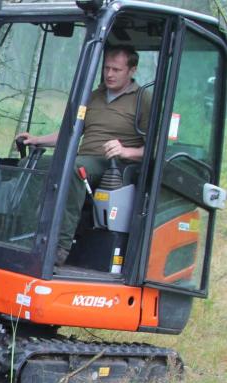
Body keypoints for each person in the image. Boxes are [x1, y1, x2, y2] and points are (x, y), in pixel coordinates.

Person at [16, 45, 151, 265]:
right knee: (31, 163)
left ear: (132, 70)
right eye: (107, 68)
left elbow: (153, 148)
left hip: (112, 166)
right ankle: (25, 236)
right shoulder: (93, 96)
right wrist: (36, 140)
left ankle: (59, 248)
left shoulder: (143, 100)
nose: (109, 74)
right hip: (81, 158)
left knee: (73, 169)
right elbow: (69, 133)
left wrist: (126, 150)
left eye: (116, 69)